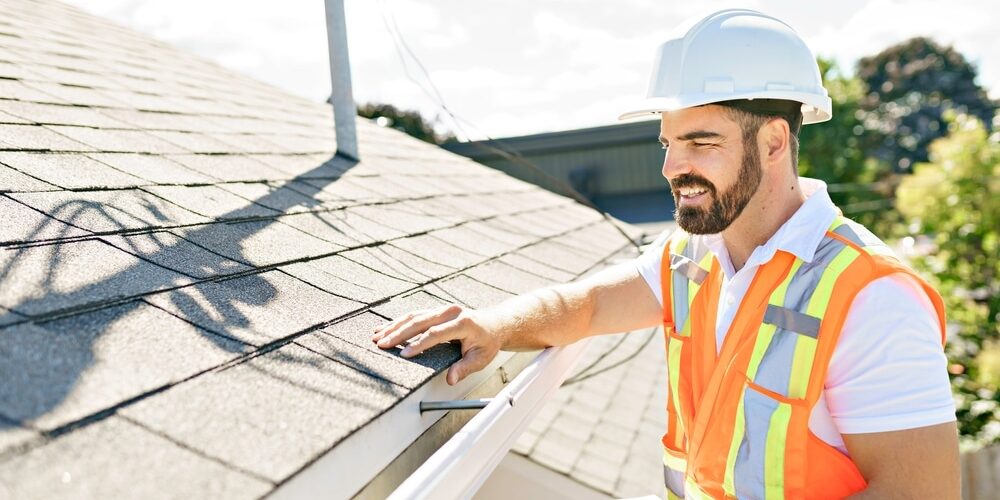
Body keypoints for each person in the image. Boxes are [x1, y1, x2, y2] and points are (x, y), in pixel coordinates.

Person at [373, 9, 959, 499]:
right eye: (669, 142)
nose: (673, 167)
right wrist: (496, 324)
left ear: (775, 140)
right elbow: (589, 307)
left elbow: (922, 493)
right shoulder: (694, 255)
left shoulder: (872, 297)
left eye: (701, 142)